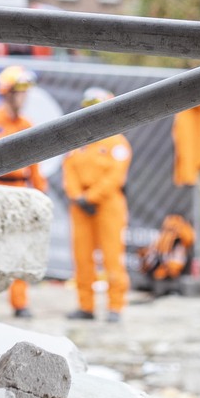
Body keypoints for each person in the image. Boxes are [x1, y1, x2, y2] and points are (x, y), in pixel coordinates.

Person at [0, 65, 47, 318]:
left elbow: (35, 166)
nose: (23, 97)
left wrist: (39, 194)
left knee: (19, 249)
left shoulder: (28, 125)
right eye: (19, 92)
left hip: (20, 192)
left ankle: (20, 303)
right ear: (7, 93)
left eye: (26, 92)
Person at [63, 87, 132, 323]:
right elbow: (69, 170)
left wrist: (91, 197)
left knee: (113, 258)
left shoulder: (117, 142)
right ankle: (85, 306)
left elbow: (115, 176)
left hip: (108, 205)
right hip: (80, 207)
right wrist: (77, 197)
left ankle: (115, 307)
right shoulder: (78, 141)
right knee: (82, 258)